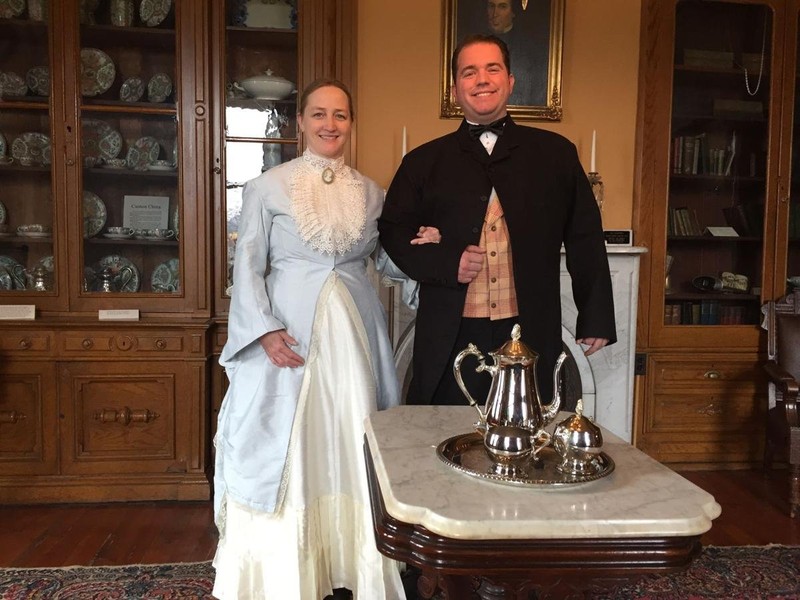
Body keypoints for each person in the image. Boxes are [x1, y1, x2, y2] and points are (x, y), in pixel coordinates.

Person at [212, 78, 439, 600]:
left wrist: (421, 247)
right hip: (287, 335)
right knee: (288, 438)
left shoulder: (373, 191)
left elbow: (384, 260)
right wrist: (265, 331)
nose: (329, 125)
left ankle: (354, 561)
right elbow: (246, 265)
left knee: (353, 430)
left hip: (357, 335)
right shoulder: (267, 187)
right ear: (301, 123)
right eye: (318, 114)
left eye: (339, 115)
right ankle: (286, 572)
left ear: (351, 123)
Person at [378, 34, 616, 409]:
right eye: (469, 72)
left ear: (510, 81)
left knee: (527, 435)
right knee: (444, 437)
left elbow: (585, 234)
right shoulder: (423, 162)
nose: (482, 79)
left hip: (530, 325)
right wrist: (445, 262)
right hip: (449, 329)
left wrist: (596, 314)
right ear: (456, 89)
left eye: (493, 68)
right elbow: (392, 230)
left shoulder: (556, 154)